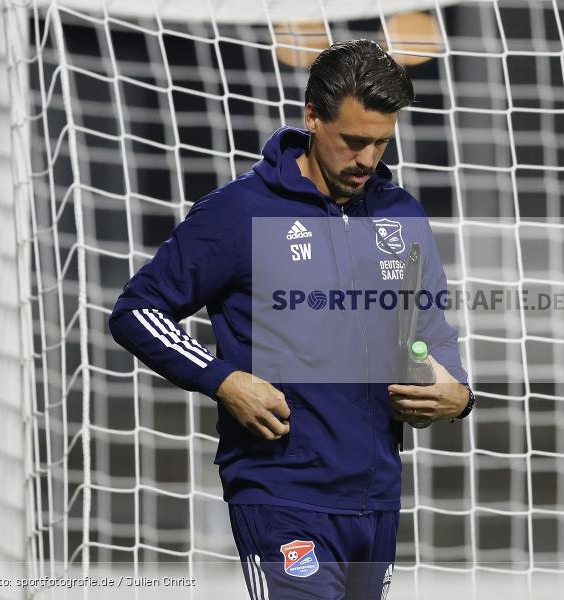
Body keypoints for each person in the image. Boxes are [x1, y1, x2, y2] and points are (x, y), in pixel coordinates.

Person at [109, 39, 475, 600]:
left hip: (374, 496)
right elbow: (138, 311)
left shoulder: (401, 214)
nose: (368, 159)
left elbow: (426, 327)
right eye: (354, 141)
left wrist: (457, 394)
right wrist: (223, 379)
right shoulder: (239, 212)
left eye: (381, 143)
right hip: (280, 491)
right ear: (312, 117)